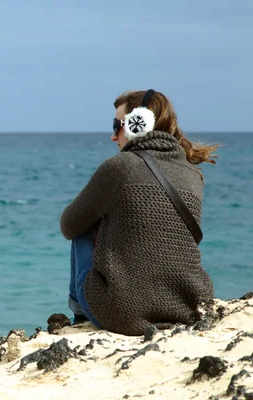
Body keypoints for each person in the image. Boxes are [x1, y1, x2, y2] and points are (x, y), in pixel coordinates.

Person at [60, 89, 221, 336]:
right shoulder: (192, 175)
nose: (114, 137)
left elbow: (68, 225)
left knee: (82, 226)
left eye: (117, 126)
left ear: (139, 124)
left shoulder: (119, 167)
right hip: (186, 310)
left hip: (121, 315)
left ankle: (79, 317)